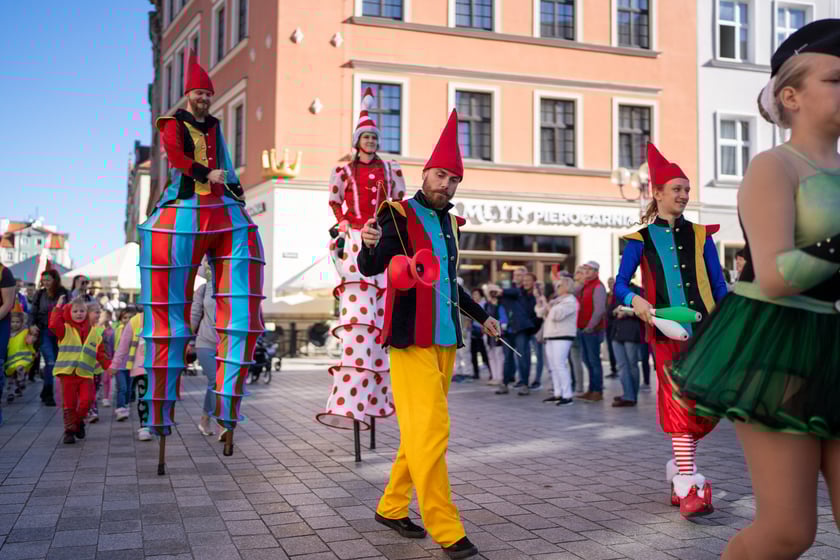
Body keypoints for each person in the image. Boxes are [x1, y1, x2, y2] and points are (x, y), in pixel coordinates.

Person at [673, 20, 840, 557]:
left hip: (834, 341)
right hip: (778, 343)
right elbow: (773, 273)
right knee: (789, 531)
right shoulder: (774, 167)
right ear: (790, 96)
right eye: (836, 79)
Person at [358, 109, 501, 560]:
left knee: (419, 433)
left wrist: (481, 317)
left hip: (445, 341)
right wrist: (366, 243)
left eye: (455, 179)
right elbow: (371, 267)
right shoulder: (398, 213)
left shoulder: (450, 226)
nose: (448, 185)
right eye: (442, 175)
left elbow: (451, 283)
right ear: (426, 174)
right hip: (409, 339)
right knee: (434, 429)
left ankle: (392, 505)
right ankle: (446, 527)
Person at [140, 50, 264, 457]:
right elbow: (175, 157)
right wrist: (202, 173)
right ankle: (158, 414)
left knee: (242, 296)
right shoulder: (173, 124)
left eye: (207, 93)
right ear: (188, 94)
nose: (203, 99)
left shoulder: (213, 125)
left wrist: (239, 194)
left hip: (220, 209)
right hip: (186, 203)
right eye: (198, 92)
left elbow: (225, 161)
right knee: (166, 308)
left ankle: (227, 413)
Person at [615, 142, 728, 518]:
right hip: (666, 333)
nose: (683, 195)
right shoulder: (640, 239)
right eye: (676, 189)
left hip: (707, 334)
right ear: (658, 193)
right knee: (680, 405)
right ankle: (688, 483)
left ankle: (681, 471)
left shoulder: (701, 235)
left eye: (686, 189)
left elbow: (719, 283)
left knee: (707, 407)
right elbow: (620, 285)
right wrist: (637, 302)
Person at [320, 87, 405, 430]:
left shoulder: (391, 168)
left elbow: (399, 200)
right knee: (358, 299)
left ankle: (382, 363)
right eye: (365, 137)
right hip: (355, 236)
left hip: (382, 236)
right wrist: (342, 222)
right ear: (358, 141)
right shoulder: (343, 171)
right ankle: (354, 367)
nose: (370, 141)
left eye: (373, 136)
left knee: (384, 294)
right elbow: (335, 200)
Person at [50, 295, 111, 444]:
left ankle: (77, 423)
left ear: (87, 313)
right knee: (69, 404)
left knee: (87, 401)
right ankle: (69, 432)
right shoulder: (65, 330)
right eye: (75, 311)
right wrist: (58, 308)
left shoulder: (95, 334)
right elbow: (52, 324)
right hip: (67, 374)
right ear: (69, 313)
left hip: (85, 375)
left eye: (82, 311)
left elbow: (100, 353)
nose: (79, 313)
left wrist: (109, 367)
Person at [108, 307, 151, 441]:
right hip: (141, 367)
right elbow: (123, 346)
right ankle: (144, 427)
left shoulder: (165, 317)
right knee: (144, 396)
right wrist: (115, 364)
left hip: (161, 366)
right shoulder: (136, 320)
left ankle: (156, 422)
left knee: (157, 397)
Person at [27, 269, 68, 407]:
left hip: (60, 333)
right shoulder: (39, 294)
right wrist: (31, 325)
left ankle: (46, 390)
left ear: (55, 280)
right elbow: (32, 313)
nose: (45, 283)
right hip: (44, 332)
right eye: (43, 280)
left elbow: (69, 311)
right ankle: (49, 394)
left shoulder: (64, 293)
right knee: (50, 361)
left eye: (48, 280)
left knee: (56, 363)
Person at [492, 267, 535, 395]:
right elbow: (499, 307)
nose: (517, 277)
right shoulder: (508, 292)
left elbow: (515, 292)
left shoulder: (524, 292)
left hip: (521, 330)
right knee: (507, 359)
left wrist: (500, 291)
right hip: (507, 330)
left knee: (522, 357)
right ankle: (505, 384)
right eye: (515, 274)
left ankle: (524, 384)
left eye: (520, 275)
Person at [538, 276, 578, 406]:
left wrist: (547, 305)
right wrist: (542, 304)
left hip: (563, 336)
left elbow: (556, 315)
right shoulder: (556, 301)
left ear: (567, 287)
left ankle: (567, 395)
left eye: (559, 285)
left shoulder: (571, 301)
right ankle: (557, 393)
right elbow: (541, 314)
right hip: (551, 336)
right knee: (553, 366)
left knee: (560, 365)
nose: (557, 288)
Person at [190, 260, 218, 437]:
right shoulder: (203, 289)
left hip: (227, 343)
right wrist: (187, 342)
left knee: (220, 383)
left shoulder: (232, 288)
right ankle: (221, 421)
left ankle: (206, 417)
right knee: (216, 380)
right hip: (205, 341)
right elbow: (194, 314)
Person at [609, 283, 645, 407]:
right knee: (622, 366)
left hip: (631, 332)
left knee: (632, 365)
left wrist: (628, 312)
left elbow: (645, 311)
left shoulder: (638, 291)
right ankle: (628, 394)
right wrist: (614, 311)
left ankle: (631, 396)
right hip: (617, 332)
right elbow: (609, 311)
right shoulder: (617, 290)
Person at [576, 261, 607, 402]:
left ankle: (597, 391)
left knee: (594, 361)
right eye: (584, 269)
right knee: (586, 360)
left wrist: (590, 326)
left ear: (596, 271)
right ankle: (591, 389)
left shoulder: (598, 286)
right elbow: (572, 294)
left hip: (592, 330)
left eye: (589, 269)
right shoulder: (585, 286)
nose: (586, 271)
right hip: (583, 329)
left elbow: (599, 310)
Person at [5, 303, 35, 402]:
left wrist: (32, 339)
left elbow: (31, 338)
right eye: (13, 322)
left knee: (19, 368)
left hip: (23, 358)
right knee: (10, 378)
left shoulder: (25, 331)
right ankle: (11, 393)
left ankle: (21, 382)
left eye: (17, 322)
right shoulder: (7, 333)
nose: (15, 324)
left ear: (22, 322)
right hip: (10, 360)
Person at [481, 284, 507, 385]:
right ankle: (494, 376)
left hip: (498, 333)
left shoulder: (501, 305)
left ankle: (500, 377)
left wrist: (496, 326)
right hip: (488, 334)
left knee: (499, 355)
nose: (492, 295)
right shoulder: (487, 305)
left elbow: (504, 319)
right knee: (491, 355)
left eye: (493, 292)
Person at [469, 289, 490, 380]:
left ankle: (491, 372)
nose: (475, 296)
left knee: (484, 353)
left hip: (482, 332)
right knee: (473, 353)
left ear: (481, 295)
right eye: (473, 294)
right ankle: (476, 372)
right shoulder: (471, 305)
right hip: (474, 331)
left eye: (476, 294)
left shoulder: (484, 304)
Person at [604, 277, 618, 378]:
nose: (610, 285)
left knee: (615, 348)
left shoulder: (618, 295)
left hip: (616, 325)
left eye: (612, 283)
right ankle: (613, 369)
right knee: (610, 348)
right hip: (608, 324)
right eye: (609, 283)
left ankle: (617, 368)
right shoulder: (607, 295)